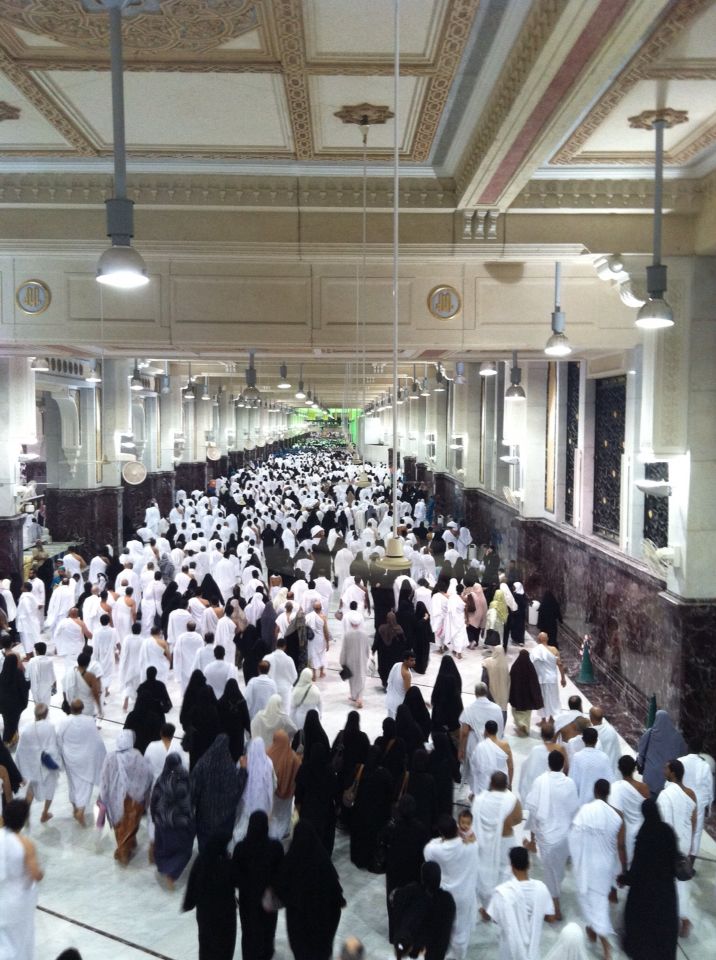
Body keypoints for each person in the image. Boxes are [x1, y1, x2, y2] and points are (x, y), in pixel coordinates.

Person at [569, 779, 626, 960]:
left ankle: (606, 946)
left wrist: (577, 858)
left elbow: (574, 836)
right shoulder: (618, 816)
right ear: (608, 793)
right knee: (598, 900)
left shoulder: (585, 811)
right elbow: (620, 846)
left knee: (593, 902)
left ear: (595, 792)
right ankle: (593, 928)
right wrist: (622, 870)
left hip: (587, 864)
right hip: (605, 866)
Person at [275, 819, 345, 960]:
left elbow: (280, 886)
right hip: (323, 925)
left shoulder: (292, 859)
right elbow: (336, 896)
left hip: (299, 924)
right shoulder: (323, 860)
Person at [523, 750, 580, 920]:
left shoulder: (540, 781)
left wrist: (534, 832)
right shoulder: (569, 783)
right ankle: (554, 904)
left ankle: (555, 909)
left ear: (549, 763)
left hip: (547, 836)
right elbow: (574, 809)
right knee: (557, 871)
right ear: (563, 765)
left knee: (551, 873)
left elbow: (532, 807)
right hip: (564, 836)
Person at [620, 799, 679, 960]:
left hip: (645, 890)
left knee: (642, 923)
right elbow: (674, 857)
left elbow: (638, 865)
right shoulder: (667, 831)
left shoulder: (644, 833)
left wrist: (626, 879)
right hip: (666, 889)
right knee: (664, 925)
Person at [423, 814, 479, 960]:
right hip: (465, 893)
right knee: (461, 929)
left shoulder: (435, 850)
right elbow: (473, 842)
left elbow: (428, 849)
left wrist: (440, 839)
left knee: (446, 927)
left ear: (441, 833)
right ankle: (458, 955)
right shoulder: (471, 846)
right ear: (457, 828)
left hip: (446, 895)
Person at [232, 810, 284, 960]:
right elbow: (281, 874)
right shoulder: (275, 848)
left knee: (248, 931)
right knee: (268, 930)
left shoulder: (241, 848)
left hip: (247, 900)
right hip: (268, 898)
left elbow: (234, 877)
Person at [487, 846, 555, 960]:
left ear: (512, 866)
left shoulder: (502, 893)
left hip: (509, 950)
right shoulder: (541, 888)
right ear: (529, 865)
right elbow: (551, 918)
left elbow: (495, 919)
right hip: (533, 949)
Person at [472, 771, 523, 916]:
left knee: (484, 871)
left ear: (491, 784)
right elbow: (518, 819)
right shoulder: (511, 800)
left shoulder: (480, 799)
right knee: (503, 874)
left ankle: (488, 906)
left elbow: (474, 819)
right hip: (505, 841)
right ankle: (498, 908)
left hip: (484, 842)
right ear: (506, 785)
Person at [99, 730, 153, 865]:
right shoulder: (137, 756)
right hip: (134, 800)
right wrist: (143, 793)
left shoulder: (110, 757)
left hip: (114, 799)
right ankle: (124, 851)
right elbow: (146, 775)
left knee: (120, 827)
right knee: (131, 824)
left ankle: (124, 847)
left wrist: (103, 796)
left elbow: (104, 779)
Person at [656, 759, 696, 939]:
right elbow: (694, 820)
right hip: (685, 841)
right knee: (682, 883)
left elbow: (664, 823)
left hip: (672, 843)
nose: (664, 769)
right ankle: (684, 919)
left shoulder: (666, 795)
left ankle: (679, 919)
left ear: (672, 773)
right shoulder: (690, 793)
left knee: (669, 883)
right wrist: (689, 843)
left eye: (666, 767)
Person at [0, 799, 43, 960]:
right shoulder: (26, 844)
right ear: (24, 820)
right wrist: (41, 873)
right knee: (20, 939)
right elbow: (34, 874)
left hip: (1, 895)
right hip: (18, 901)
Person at [183, 834, 237, 960]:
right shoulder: (226, 865)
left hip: (205, 914)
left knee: (206, 945)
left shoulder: (200, 861)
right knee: (225, 946)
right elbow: (239, 880)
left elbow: (192, 884)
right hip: (225, 916)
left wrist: (188, 903)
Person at [384, 794, 430, 941]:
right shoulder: (421, 828)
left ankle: (393, 934)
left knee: (393, 901)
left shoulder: (392, 827)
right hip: (413, 871)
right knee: (411, 903)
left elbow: (381, 841)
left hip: (394, 870)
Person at [191, 733, 246, 852]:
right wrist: (243, 770)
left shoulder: (202, 764)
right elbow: (237, 790)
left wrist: (192, 806)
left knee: (205, 847)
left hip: (204, 816)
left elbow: (193, 789)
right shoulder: (230, 767)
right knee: (221, 848)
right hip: (225, 820)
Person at [390, 861, 455, 960]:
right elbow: (446, 930)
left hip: (412, 948)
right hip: (434, 950)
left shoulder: (411, 892)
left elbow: (394, 897)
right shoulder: (447, 901)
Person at [56, 700, 106, 826]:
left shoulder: (64, 722)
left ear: (71, 708)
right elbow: (96, 740)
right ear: (82, 708)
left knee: (73, 783)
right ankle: (80, 811)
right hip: (87, 758)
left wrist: (61, 754)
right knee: (85, 785)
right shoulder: (89, 720)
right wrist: (102, 755)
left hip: (70, 758)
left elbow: (58, 739)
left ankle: (75, 808)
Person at [150, 752, 195, 887]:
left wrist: (154, 817)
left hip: (162, 822)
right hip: (181, 822)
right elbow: (191, 798)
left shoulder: (161, 779)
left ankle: (165, 869)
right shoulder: (186, 778)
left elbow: (154, 800)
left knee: (163, 848)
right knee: (183, 850)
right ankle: (172, 873)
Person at [15, 703, 61, 823]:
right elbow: (54, 746)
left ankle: (24, 815)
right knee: (50, 789)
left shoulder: (26, 729)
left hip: (35, 767)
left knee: (31, 790)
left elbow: (21, 750)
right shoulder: (50, 726)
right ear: (46, 714)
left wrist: (20, 772)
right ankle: (45, 814)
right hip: (48, 766)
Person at [350, 745, 394, 870]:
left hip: (360, 811)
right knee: (373, 837)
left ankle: (358, 858)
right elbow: (390, 793)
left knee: (360, 835)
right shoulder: (385, 774)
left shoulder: (361, 770)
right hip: (378, 813)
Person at [294, 741, 339, 854]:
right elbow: (335, 791)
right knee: (324, 841)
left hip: (308, 810)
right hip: (326, 811)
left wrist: (298, 806)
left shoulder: (305, 768)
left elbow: (298, 791)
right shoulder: (329, 770)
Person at [458, 681, 504, 784]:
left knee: (475, 774)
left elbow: (464, 732)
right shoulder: (497, 708)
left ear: (475, 693)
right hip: (493, 744)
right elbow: (501, 728)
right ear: (487, 692)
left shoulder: (469, 709)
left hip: (474, 745)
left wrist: (461, 749)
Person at [609, 755, 649, 867]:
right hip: (641, 832)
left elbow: (614, 815)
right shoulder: (644, 788)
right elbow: (649, 810)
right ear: (634, 768)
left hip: (623, 833)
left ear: (619, 769)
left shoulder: (615, 788)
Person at [678, 736, 714, 859]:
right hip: (698, 803)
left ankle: (677, 857)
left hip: (681, 799)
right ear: (700, 750)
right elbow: (709, 789)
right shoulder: (705, 766)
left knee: (680, 827)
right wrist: (708, 807)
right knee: (696, 833)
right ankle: (690, 863)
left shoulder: (680, 761)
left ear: (688, 747)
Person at [636, 709, 687, 796]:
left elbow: (641, 750)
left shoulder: (650, 733)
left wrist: (640, 762)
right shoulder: (677, 737)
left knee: (650, 802)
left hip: (650, 776)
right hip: (668, 777)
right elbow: (683, 755)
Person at [235, 736, 276, 841]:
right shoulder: (269, 762)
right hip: (263, 801)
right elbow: (273, 783)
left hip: (247, 801)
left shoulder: (243, 762)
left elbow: (237, 779)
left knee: (244, 823)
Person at [266, 728, 301, 839]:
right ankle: (284, 831)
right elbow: (299, 770)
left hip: (273, 793)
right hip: (288, 795)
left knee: (274, 813)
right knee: (284, 813)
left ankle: (272, 832)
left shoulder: (268, 754)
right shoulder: (293, 757)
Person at [569, 727, 615, 804]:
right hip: (601, 804)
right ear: (596, 740)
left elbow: (572, 782)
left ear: (583, 739)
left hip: (582, 804)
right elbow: (610, 781)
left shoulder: (577, 757)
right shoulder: (604, 757)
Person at [340, 600, 372, 707]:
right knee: (361, 676)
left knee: (352, 677)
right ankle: (359, 696)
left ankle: (354, 695)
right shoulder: (364, 635)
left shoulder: (347, 635)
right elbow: (368, 650)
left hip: (350, 659)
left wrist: (342, 661)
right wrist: (368, 657)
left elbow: (344, 649)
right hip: (362, 659)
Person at [530, 632, 565, 721]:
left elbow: (531, 666)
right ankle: (551, 718)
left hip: (541, 678)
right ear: (547, 639)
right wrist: (563, 678)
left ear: (538, 640)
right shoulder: (554, 650)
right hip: (552, 679)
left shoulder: (535, 650)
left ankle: (543, 720)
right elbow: (560, 664)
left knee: (542, 698)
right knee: (553, 698)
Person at [508, 648, 543, 736]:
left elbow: (510, 681)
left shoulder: (515, 667)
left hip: (517, 696)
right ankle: (526, 728)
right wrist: (536, 697)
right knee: (527, 715)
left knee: (516, 713)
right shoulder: (530, 668)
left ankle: (520, 725)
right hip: (528, 699)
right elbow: (534, 684)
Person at [0, 654, 29, 746]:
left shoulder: (2, 674)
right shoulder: (18, 673)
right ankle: (7, 742)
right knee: (12, 725)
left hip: (3, 706)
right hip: (16, 706)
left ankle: (12, 739)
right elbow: (23, 688)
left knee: (8, 722)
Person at [482, 644, 510, 723]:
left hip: (491, 692)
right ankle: (501, 731)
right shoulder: (505, 664)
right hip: (503, 693)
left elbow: (484, 678)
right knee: (503, 710)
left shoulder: (488, 662)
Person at [386, 649, 415, 720]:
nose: (414, 662)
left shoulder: (396, 665)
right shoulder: (407, 674)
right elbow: (408, 692)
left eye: (414, 660)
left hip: (390, 699)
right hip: (400, 703)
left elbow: (389, 680)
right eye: (411, 660)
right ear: (405, 660)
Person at [25, 642, 55, 709]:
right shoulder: (49, 661)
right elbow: (52, 675)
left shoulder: (32, 661)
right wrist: (55, 686)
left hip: (35, 688)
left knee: (38, 708)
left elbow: (27, 677)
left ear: (36, 651)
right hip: (47, 688)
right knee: (46, 707)